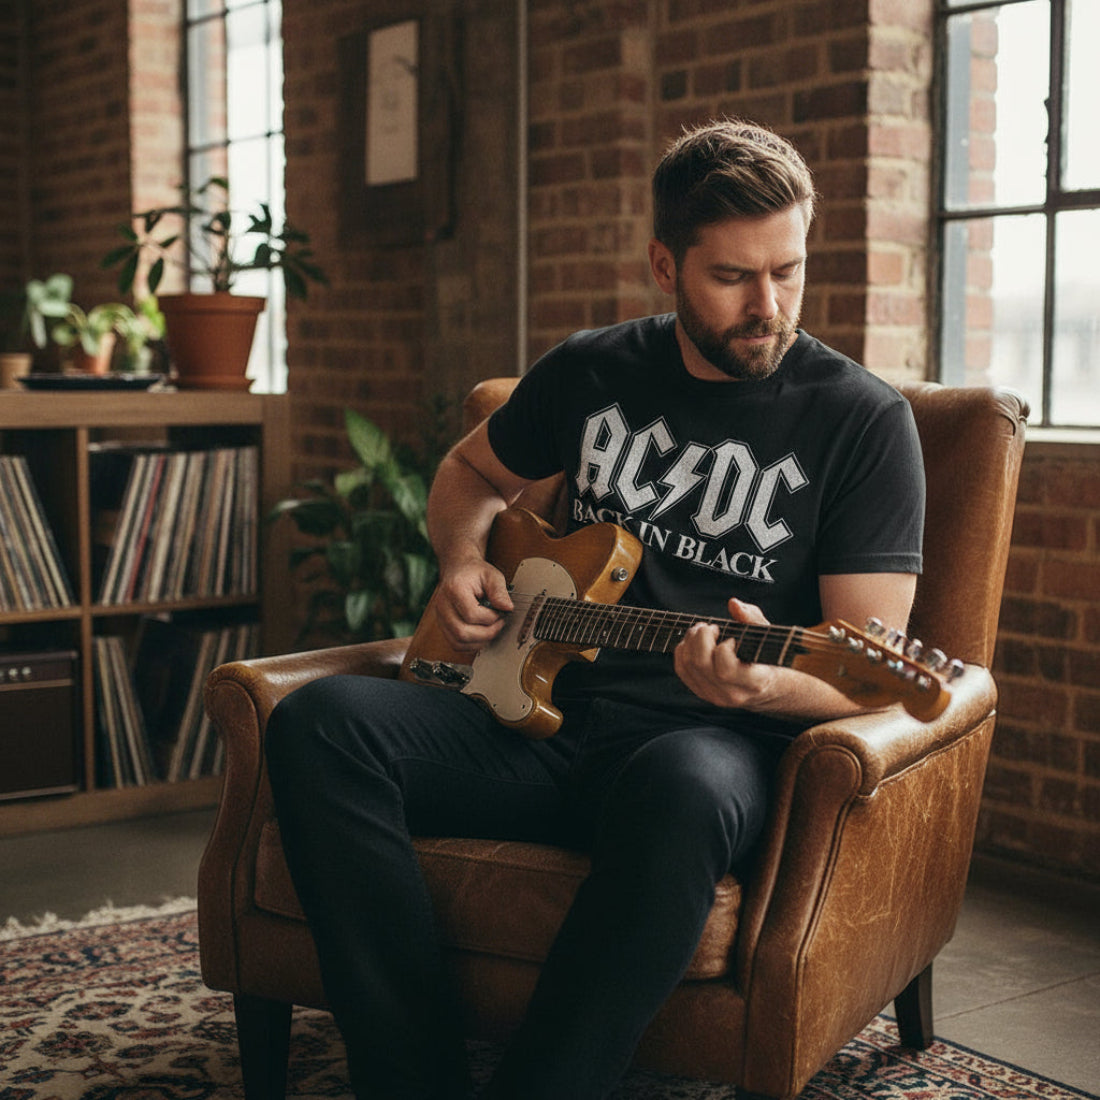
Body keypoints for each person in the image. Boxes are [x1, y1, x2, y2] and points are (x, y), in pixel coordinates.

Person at [265, 117, 925, 1100]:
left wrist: (761, 686)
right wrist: (459, 559)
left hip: (700, 744)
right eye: (731, 277)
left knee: (684, 784)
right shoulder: (592, 370)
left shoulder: (860, 422)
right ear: (664, 263)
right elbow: (466, 472)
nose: (767, 305)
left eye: (786, 270)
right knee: (318, 723)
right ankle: (410, 1076)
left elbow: (864, 673)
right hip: (533, 720)